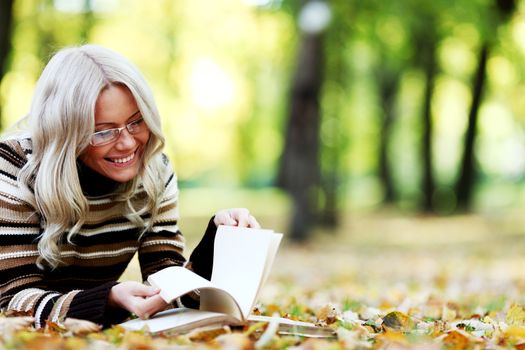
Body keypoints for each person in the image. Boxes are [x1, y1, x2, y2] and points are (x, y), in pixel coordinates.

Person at [0, 44, 260, 329]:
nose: (127, 143)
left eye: (136, 122)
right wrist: (106, 299)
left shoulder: (154, 170)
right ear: (65, 130)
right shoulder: (13, 166)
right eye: (103, 131)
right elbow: (11, 301)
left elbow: (170, 286)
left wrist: (218, 241)